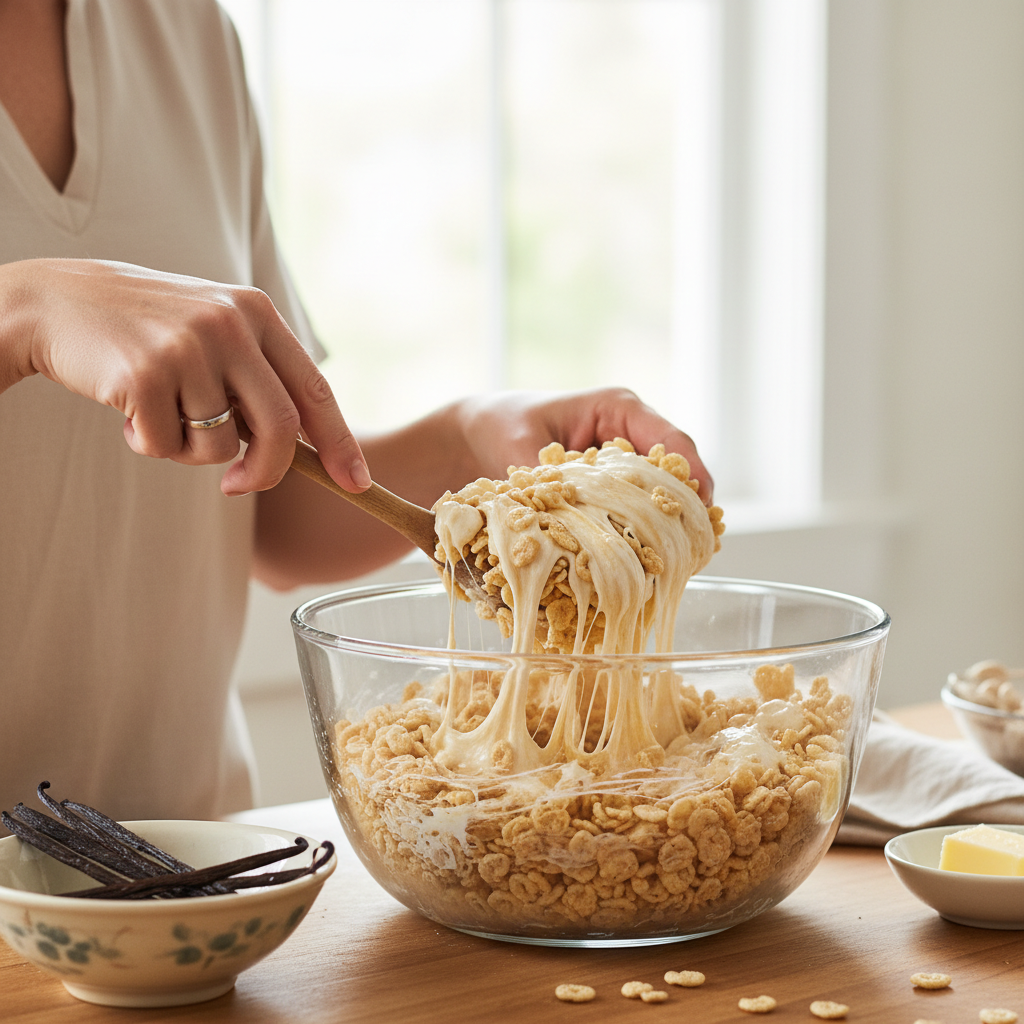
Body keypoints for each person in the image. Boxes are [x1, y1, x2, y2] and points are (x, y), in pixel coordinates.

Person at [0, 0, 712, 823]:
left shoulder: (182, 30)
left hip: (187, 874)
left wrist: (466, 446)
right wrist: (25, 311)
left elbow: (270, 506)